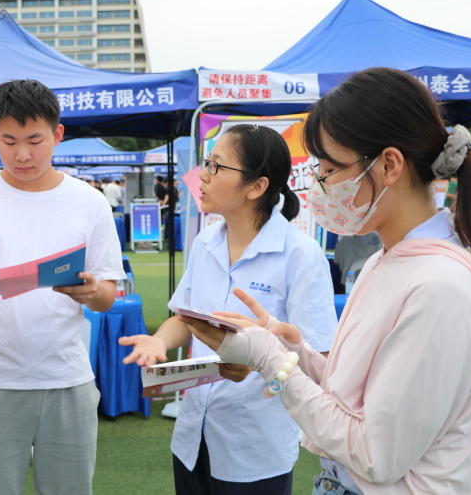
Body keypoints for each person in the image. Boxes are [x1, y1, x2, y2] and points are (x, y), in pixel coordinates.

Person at [179, 68, 471, 494]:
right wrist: (294, 352)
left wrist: (269, 358)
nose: (318, 184)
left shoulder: (439, 287)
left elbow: (375, 454)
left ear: (389, 165)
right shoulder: (387, 260)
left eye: (330, 168)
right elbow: (354, 394)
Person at [120, 124, 337, 495]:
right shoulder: (205, 241)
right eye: (207, 162)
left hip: (254, 446)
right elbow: (185, 318)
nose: (202, 175)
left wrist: (262, 360)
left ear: (256, 187)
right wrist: (159, 341)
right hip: (193, 435)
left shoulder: (300, 254)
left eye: (216, 166)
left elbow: (320, 360)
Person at [0, 79, 125, 495]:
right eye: (9, 141)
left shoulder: (89, 202)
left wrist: (93, 292)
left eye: (35, 140)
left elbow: (109, 294)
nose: (22, 154)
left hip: (68, 379)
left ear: (58, 135)